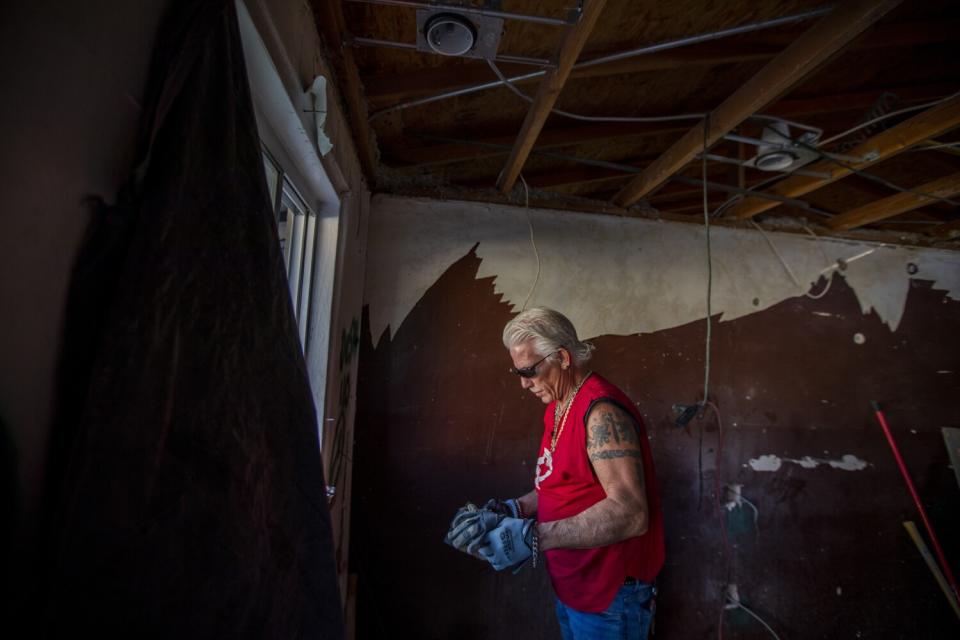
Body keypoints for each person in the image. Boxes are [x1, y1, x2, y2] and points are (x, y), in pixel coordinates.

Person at [445, 307, 665, 640]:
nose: (523, 383)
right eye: (517, 372)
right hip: (574, 584)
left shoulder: (601, 411)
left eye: (529, 370)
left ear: (562, 357)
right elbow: (560, 486)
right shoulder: (557, 407)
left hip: (609, 595)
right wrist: (511, 510)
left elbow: (631, 513)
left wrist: (533, 536)